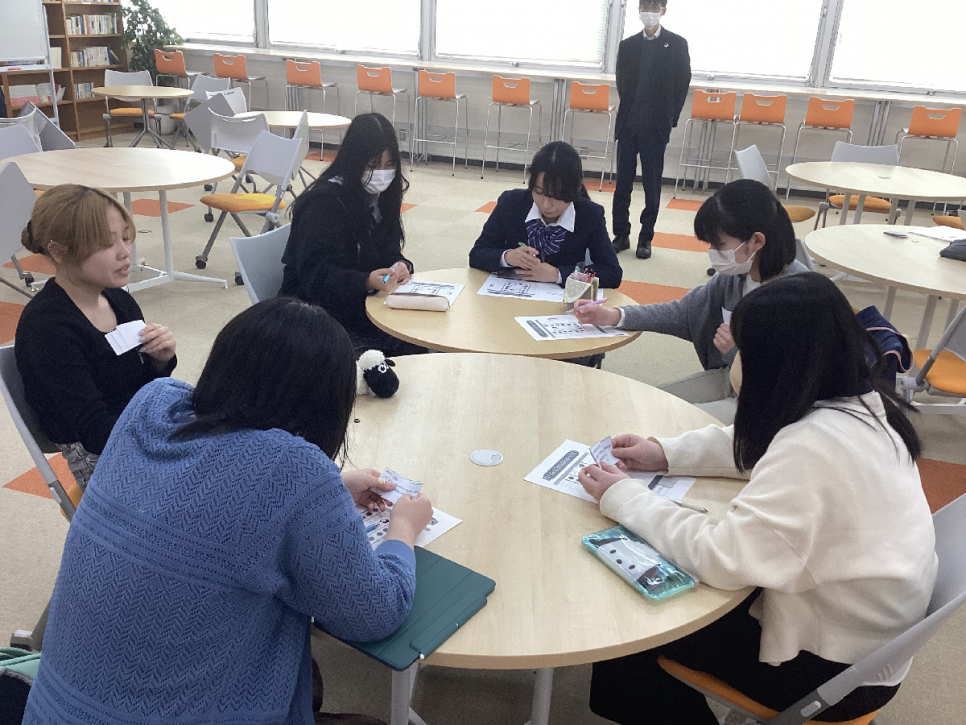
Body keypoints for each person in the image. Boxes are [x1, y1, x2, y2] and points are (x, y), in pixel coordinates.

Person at [23, 297, 434, 725]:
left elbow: (210, 491)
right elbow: (375, 614)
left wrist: (329, 490)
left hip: (50, 711)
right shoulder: (296, 468)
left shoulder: (150, 402)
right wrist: (403, 530)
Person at [577, 273, 938, 725]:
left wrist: (623, 497)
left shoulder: (813, 448)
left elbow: (722, 558)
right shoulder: (863, 403)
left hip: (832, 670)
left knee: (629, 621)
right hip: (864, 638)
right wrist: (664, 453)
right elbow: (762, 441)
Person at [14, 184, 177, 490]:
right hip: (101, 452)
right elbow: (94, 432)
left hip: (133, 426)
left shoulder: (119, 299)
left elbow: (138, 385)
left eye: (125, 238)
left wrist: (159, 362)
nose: (125, 252)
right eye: (106, 243)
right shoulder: (48, 328)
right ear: (59, 252)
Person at [575, 179, 808, 372]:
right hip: (728, 381)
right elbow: (684, 312)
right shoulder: (735, 277)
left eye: (719, 245)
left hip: (767, 402)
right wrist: (614, 316)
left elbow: (794, 379)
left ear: (756, 241)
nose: (712, 252)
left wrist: (736, 353)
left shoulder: (799, 296)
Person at [280, 112, 421, 356]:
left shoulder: (380, 197)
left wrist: (400, 264)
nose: (382, 173)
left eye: (389, 165)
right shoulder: (324, 204)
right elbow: (317, 277)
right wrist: (365, 281)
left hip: (362, 304)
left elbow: (387, 248)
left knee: (421, 335)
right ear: (355, 161)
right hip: (318, 315)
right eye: (372, 165)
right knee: (404, 350)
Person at [469, 141, 623, 289]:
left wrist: (558, 274)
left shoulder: (589, 214)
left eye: (557, 196)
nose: (546, 205)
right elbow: (477, 254)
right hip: (511, 295)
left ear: (573, 191)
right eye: (539, 192)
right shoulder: (511, 203)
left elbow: (612, 272)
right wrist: (507, 257)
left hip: (560, 302)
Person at [612, 0, 691, 259]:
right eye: (644, 6)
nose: (648, 11)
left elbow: (682, 85)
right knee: (622, 184)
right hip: (629, 124)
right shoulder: (627, 45)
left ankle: (646, 237)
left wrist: (669, 119)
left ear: (663, 11)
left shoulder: (677, 44)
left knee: (651, 184)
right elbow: (622, 82)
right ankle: (621, 234)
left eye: (654, 7)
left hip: (655, 126)